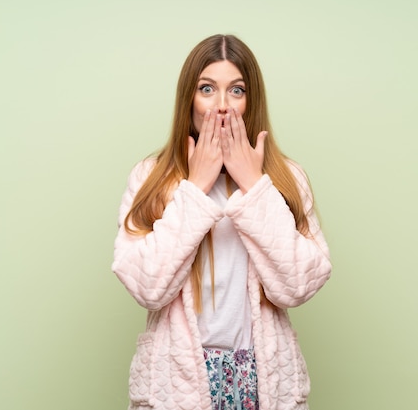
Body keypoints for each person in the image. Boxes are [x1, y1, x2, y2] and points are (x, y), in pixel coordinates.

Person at [112, 34, 332, 410]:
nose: (221, 106)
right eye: (207, 88)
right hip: (178, 376)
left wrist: (255, 185)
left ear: (251, 101)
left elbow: (298, 286)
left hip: (262, 376)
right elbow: (146, 287)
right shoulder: (151, 177)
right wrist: (195, 188)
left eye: (237, 90)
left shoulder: (285, 179)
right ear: (189, 99)